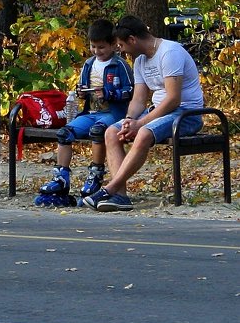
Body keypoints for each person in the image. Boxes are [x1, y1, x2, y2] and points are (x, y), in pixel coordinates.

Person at [84, 14, 206, 212]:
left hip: (186, 113)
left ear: (132, 40)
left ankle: (110, 188)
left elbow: (173, 99)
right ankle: (120, 197)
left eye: (122, 45)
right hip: (159, 113)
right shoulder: (140, 61)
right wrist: (130, 119)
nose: (120, 51)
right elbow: (139, 99)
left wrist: (140, 124)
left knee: (144, 133)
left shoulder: (170, 53)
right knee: (111, 132)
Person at [35, 19, 134, 206]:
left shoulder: (120, 65)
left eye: (102, 47)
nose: (97, 51)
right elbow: (81, 86)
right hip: (91, 111)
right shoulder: (89, 64)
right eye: (93, 47)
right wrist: (81, 91)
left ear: (114, 44)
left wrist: (109, 93)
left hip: (113, 113)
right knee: (65, 133)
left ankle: (95, 174)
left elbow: (130, 91)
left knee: (98, 131)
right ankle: (61, 177)